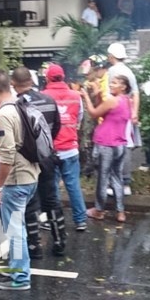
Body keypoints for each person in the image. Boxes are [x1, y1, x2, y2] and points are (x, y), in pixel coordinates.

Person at [0, 69, 39, 291]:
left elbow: (6, 155)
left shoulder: (3, 115)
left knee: (15, 230)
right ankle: (18, 267)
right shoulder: (21, 105)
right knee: (19, 227)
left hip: (16, 180)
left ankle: (21, 278)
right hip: (31, 174)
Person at [11, 66, 66, 258]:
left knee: (29, 202)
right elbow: (57, 127)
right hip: (48, 157)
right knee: (51, 199)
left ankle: (34, 245)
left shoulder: (15, 106)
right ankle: (59, 241)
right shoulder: (49, 101)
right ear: (32, 81)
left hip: (27, 160)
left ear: (13, 84)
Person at [42, 64, 88, 232]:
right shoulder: (76, 96)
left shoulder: (42, 96)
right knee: (73, 184)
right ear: (63, 77)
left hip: (50, 150)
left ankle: (51, 220)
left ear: (47, 78)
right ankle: (80, 220)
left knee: (51, 186)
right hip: (70, 147)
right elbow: (79, 119)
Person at [81, 75, 132, 223]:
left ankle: (99, 210)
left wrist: (86, 96)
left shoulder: (112, 100)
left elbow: (93, 113)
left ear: (123, 87)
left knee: (103, 178)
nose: (111, 85)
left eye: (115, 83)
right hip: (120, 144)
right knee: (117, 177)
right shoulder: (127, 101)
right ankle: (120, 212)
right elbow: (102, 111)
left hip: (106, 143)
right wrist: (97, 94)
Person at [107, 42, 140, 196]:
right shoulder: (129, 71)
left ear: (111, 56)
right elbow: (136, 93)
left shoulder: (112, 71)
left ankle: (111, 182)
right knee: (125, 145)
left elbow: (107, 93)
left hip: (114, 113)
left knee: (111, 146)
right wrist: (135, 112)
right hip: (127, 112)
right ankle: (126, 183)